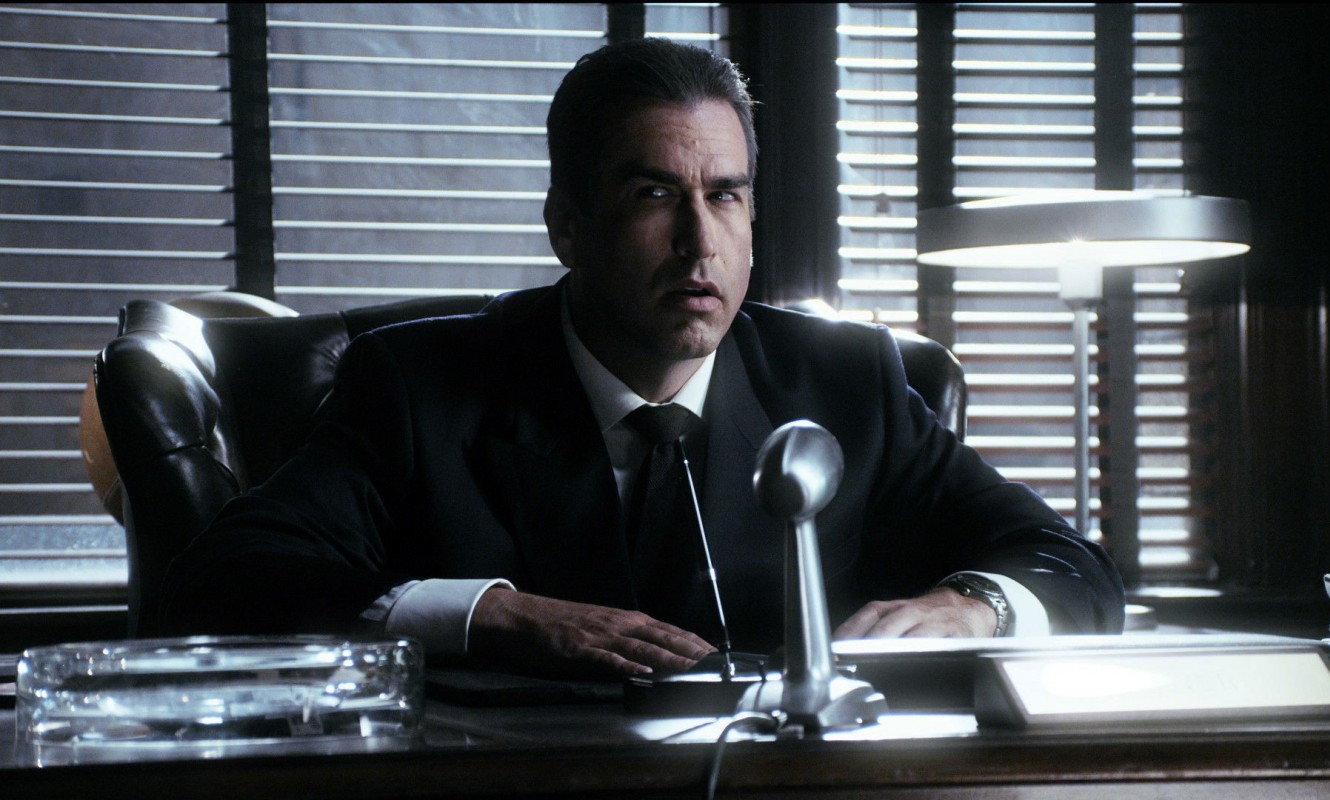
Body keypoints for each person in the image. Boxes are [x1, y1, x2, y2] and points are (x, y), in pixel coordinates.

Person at [159, 38, 1124, 678]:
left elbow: (1072, 567)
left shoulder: (849, 382)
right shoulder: (417, 387)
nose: (701, 243)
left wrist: (975, 607)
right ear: (568, 226)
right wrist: (493, 614)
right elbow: (227, 581)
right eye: (655, 196)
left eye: (726, 196)